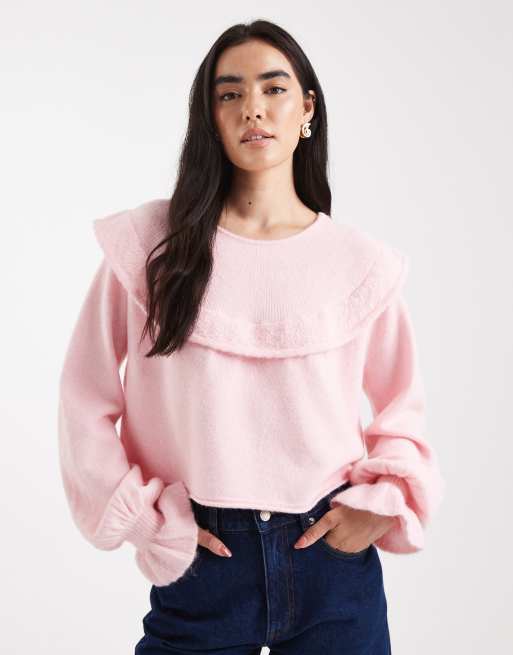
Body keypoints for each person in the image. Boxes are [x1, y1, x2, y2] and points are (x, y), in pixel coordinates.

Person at [57, 18, 445, 655]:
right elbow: (84, 396)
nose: (253, 109)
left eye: (273, 88)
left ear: (307, 109)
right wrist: (147, 522)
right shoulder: (152, 248)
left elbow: (404, 407)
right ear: (210, 117)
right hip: (204, 564)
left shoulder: (359, 263)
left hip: (331, 564)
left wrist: (381, 503)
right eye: (230, 93)